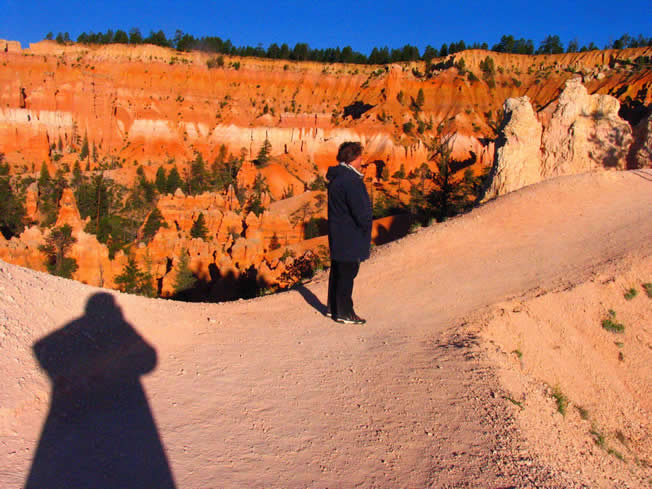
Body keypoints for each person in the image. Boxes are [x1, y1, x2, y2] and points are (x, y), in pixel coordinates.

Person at [326, 141, 372, 324]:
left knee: (338, 271)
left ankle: (333, 308)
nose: (362, 160)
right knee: (347, 273)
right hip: (350, 234)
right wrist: (365, 225)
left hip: (338, 232)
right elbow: (361, 211)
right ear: (353, 158)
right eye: (360, 156)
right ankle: (346, 312)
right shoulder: (351, 181)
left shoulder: (337, 178)